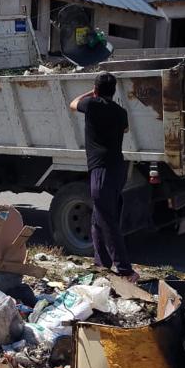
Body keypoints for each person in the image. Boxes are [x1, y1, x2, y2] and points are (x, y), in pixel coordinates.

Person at [69, 72, 139, 282]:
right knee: (98, 218)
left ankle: (125, 270)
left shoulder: (91, 105)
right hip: (117, 169)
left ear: (96, 89)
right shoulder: (120, 112)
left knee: (107, 220)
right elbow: (125, 129)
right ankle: (101, 262)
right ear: (114, 91)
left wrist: (92, 92)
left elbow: (73, 104)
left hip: (102, 170)